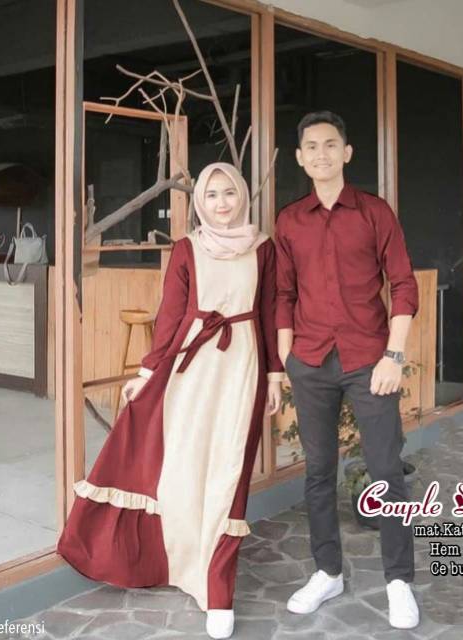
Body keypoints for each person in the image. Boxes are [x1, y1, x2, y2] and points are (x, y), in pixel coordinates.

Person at [57, 162, 284, 640]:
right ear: (199, 201)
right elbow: (171, 316)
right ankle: (180, 567)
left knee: (227, 474)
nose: (222, 203)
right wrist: (146, 373)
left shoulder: (264, 249)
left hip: (241, 370)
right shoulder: (186, 248)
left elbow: (268, 312)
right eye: (212, 195)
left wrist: (274, 376)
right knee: (181, 470)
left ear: (242, 196)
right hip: (188, 373)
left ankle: (216, 590)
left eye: (229, 193)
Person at [275, 111, 420, 629]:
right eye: (312, 146)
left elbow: (403, 284)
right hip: (311, 361)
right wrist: (287, 360)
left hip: (369, 361)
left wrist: (394, 356)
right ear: (300, 158)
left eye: (331, 144)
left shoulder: (375, 212)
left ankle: (398, 581)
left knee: (386, 469)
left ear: (347, 152)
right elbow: (283, 293)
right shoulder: (289, 221)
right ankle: (327, 571)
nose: (322, 154)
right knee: (318, 471)